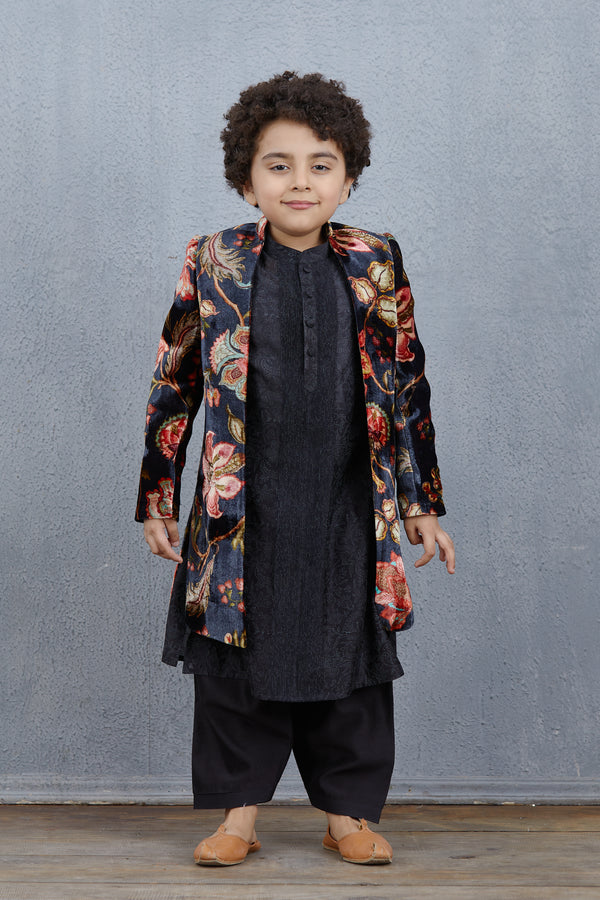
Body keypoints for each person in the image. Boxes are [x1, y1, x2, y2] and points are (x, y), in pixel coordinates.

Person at [136, 71, 455, 867]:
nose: (301, 181)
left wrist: (421, 503)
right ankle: (238, 815)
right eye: (278, 165)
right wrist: (157, 495)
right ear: (247, 181)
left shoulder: (377, 261)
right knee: (235, 660)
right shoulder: (213, 260)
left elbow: (406, 384)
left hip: (350, 503)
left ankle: (348, 814)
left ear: (348, 179)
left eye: (321, 164)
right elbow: (175, 383)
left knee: (351, 657)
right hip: (242, 508)